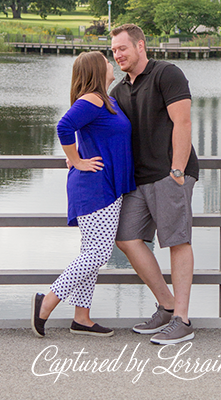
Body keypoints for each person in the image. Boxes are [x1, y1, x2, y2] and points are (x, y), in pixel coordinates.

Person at [31, 51, 135, 338]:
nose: (111, 63)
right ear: (96, 69)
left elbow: (91, 132)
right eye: (106, 60)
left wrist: (78, 151)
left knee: (91, 253)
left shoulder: (106, 99)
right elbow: (64, 126)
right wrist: (76, 159)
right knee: (99, 253)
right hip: (95, 187)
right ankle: (47, 303)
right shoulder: (92, 98)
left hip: (106, 185)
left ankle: (82, 318)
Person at [110, 23, 199, 345]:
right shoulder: (118, 91)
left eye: (123, 48)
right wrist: (74, 155)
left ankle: (182, 319)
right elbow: (107, 133)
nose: (117, 54)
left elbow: (183, 121)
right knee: (127, 237)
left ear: (140, 46)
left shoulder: (167, 74)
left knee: (176, 240)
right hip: (139, 179)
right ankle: (167, 305)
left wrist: (177, 170)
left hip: (169, 174)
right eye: (114, 50)